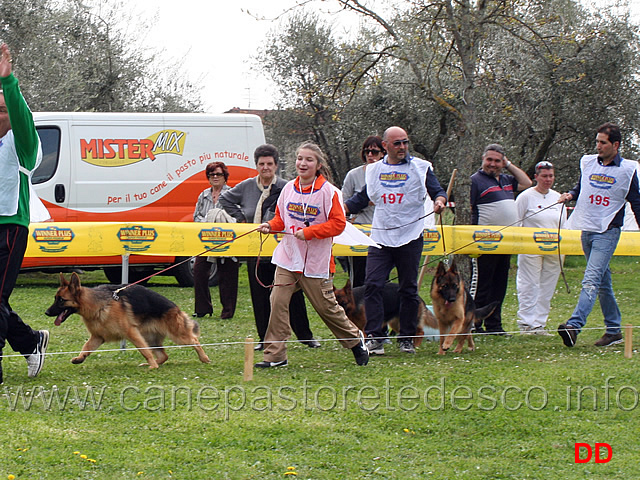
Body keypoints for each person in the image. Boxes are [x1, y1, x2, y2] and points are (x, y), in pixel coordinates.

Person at [255, 142, 369, 368]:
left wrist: (310, 232)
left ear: (318, 165)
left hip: (316, 262)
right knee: (277, 301)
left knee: (326, 308)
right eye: (299, 158)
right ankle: (276, 356)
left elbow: (338, 224)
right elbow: (281, 219)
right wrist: (270, 225)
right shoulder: (288, 189)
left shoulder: (329, 192)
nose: (302, 163)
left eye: (308, 159)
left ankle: (356, 340)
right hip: (288, 258)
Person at [344, 126, 447, 355]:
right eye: (397, 143)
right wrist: (343, 208)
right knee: (373, 285)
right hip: (381, 237)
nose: (402, 147)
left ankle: (407, 338)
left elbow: (438, 190)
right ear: (385, 146)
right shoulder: (375, 170)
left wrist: (440, 201)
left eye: (405, 142)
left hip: (410, 236)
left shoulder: (421, 167)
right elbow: (363, 197)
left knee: (408, 289)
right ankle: (375, 338)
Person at [219, 144, 319, 350]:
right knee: (259, 295)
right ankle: (264, 337)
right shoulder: (246, 186)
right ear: (256, 166)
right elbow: (224, 198)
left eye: (269, 164)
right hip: (255, 250)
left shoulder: (287, 186)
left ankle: (305, 335)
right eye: (261, 164)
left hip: (282, 248)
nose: (265, 168)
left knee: (291, 293)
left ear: (276, 166)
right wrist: (241, 218)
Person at [557, 123, 640, 348]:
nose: (598, 146)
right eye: (597, 142)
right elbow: (581, 188)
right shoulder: (589, 163)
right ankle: (613, 330)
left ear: (616, 145)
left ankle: (574, 326)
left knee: (591, 279)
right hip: (588, 228)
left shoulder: (627, 171)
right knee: (603, 283)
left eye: (602, 142)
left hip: (608, 231)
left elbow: (636, 202)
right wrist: (570, 195)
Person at [0, 44, 49, 384]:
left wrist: (8, 83)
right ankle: (31, 341)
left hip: (11, 226)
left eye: (1, 110)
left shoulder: (23, 145)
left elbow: (21, 115)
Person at [470, 144, 532, 335]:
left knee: (499, 286)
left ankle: (494, 325)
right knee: (482, 285)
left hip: (505, 244)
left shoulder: (506, 179)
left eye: (497, 161)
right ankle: (474, 323)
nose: (493, 164)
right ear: (483, 160)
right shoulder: (475, 181)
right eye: (489, 160)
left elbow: (527, 183)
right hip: (484, 243)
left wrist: (509, 165)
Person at [515, 161, 566, 335]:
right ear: (536, 177)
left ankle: (539, 324)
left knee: (548, 285)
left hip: (554, 249)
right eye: (544, 176)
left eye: (550, 176)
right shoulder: (526, 196)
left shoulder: (558, 197)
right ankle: (526, 323)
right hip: (531, 247)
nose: (548, 179)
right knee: (529, 284)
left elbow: (563, 224)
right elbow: (517, 222)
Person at [192, 161, 239, 319]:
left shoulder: (232, 194)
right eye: (212, 174)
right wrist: (207, 224)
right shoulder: (203, 195)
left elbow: (237, 217)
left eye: (218, 174)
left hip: (226, 241)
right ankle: (202, 309)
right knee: (199, 272)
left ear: (225, 176)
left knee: (228, 276)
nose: (215, 177)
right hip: (206, 240)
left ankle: (228, 311)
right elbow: (196, 216)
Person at [341, 136, 385, 287]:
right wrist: (360, 203)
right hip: (359, 231)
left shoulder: (389, 175)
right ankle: (356, 309)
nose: (370, 155)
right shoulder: (354, 175)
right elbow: (343, 203)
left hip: (382, 231)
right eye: (367, 152)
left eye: (374, 151)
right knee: (358, 278)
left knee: (381, 278)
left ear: (383, 153)